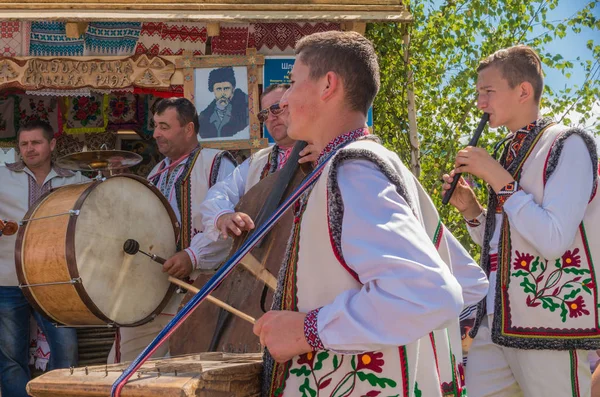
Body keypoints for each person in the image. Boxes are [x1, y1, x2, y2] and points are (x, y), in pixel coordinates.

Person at [252, 31, 488, 397]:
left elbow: (432, 292)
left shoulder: (352, 170)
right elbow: (468, 279)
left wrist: (306, 331)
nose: (284, 99)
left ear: (328, 85)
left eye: (294, 83)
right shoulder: (382, 163)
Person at [442, 45, 599, 396]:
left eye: (489, 92)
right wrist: (472, 212)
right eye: (478, 93)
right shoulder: (506, 152)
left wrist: (500, 180)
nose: (480, 102)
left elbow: (554, 239)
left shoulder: (568, 143)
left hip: (548, 324)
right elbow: (511, 245)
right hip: (496, 322)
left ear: (523, 91)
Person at [108, 97, 236, 363]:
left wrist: (192, 256)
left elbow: (229, 227)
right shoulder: (156, 172)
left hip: (201, 290)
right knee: (127, 366)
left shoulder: (216, 163)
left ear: (188, 129)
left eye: (164, 126)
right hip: (155, 291)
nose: (156, 134)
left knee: (185, 371)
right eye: (155, 126)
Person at [0, 120, 88, 397]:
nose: (29, 149)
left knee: (67, 350)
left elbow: (94, 219)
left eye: (36, 142)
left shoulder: (75, 180)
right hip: (7, 276)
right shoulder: (1, 176)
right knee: (10, 357)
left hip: (57, 281)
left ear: (51, 145)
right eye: (24, 144)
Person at [200, 83, 318, 240]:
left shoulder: (322, 150)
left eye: (277, 107)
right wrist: (223, 215)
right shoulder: (258, 161)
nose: (271, 117)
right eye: (264, 114)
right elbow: (221, 192)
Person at [198, 66, 249, 139]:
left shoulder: (246, 107)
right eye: (218, 89)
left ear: (233, 88)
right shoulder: (205, 116)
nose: (223, 93)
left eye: (226, 88)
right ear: (213, 91)